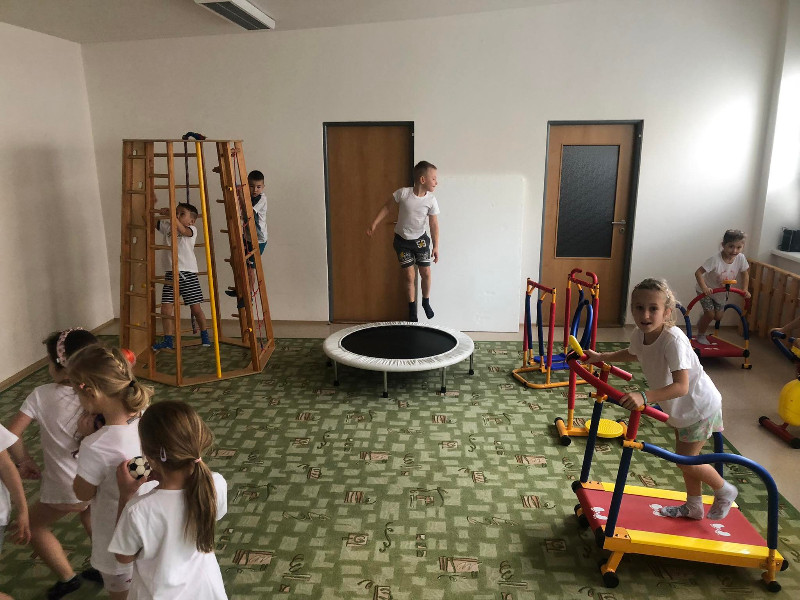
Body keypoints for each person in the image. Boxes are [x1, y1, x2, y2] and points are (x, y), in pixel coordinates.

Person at [585, 278, 738, 520]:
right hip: (680, 409)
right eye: (639, 307)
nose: (645, 315)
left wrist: (644, 396)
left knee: (686, 461)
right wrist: (601, 356)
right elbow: (635, 353)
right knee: (687, 460)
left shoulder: (673, 340)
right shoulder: (640, 334)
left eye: (653, 308)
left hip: (698, 407)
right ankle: (694, 506)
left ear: (666, 312)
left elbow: (682, 386)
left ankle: (725, 489)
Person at [5, 328, 103, 599]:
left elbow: (11, 434)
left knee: (33, 525)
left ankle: (67, 578)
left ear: (59, 364)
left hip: (66, 486)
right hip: (98, 479)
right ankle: (104, 566)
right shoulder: (101, 392)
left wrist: (24, 460)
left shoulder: (40, 394)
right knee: (90, 513)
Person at [109, 400, 228, 599]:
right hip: (206, 590)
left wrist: (125, 495)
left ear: (149, 457)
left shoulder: (138, 509)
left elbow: (123, 556)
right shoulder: (215, 484)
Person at [68, 344, 152, 600]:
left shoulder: (95, 445)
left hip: (117, 540)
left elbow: (82, 494)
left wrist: (86, 440)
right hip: (154, 529)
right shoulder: (150, 420)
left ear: (90, 393)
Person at [367, 161, 440, 322]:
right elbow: (387, 207)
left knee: (426, 272)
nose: (436, 182)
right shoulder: (403, 194)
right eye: (434, 178)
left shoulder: (431, 200)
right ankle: (412, 309)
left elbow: (434, 224)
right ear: (422, 180)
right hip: (402, 241)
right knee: (409, 275)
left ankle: (425, 301)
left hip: (420, 241)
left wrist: (436, 246)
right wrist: (374, 223)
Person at [152, 202, 211, 350]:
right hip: (171, 274)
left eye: (182, 213)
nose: (177, 215)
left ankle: (204, 334)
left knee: (195, 308)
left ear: (192, 221)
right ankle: (168, 339)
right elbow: (150, 220)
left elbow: (183, 231)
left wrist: (172, 216)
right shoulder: (168, 227)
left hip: (187, 274)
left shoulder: (192, 230)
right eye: (176, 212)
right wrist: (159, 211)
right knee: (165, 309)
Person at [694, 229, 750, 345]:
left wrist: (745, 289)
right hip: (706, 290)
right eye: (731, 246)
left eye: (738, 247)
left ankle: (704, 318)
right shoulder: (715, 260)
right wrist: (704, 288)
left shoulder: (741, 258)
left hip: (721, 293)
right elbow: (698, 273)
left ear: (743, 247)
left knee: (718, 317)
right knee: (710, 314)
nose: (734, 251)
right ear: (723, 245)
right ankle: (701, 335)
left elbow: (745, 274)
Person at [225, 170, 267, 305]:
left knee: (250, 268)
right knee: (234, 260)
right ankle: (240, 288)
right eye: (251, 186)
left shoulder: (261, 199)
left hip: (258, 239)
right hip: (247, 236)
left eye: (258, 187)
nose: (255, 190)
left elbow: (248, 213)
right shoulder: (247, 194)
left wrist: (240, 195)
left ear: (263, 187)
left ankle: (248, 295)